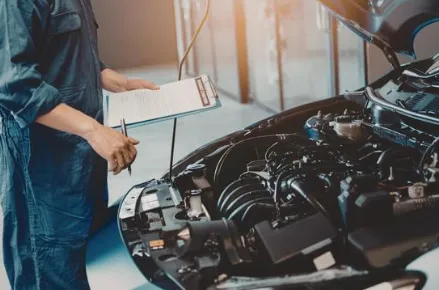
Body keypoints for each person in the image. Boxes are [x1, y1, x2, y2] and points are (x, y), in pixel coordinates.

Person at [0, 0, 159, 289]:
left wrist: (118, 82)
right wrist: (93, 130)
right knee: (50, 273)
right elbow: (15, 87)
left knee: (82, 264)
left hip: (82, 166)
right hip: (44, 177)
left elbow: (64, 54)